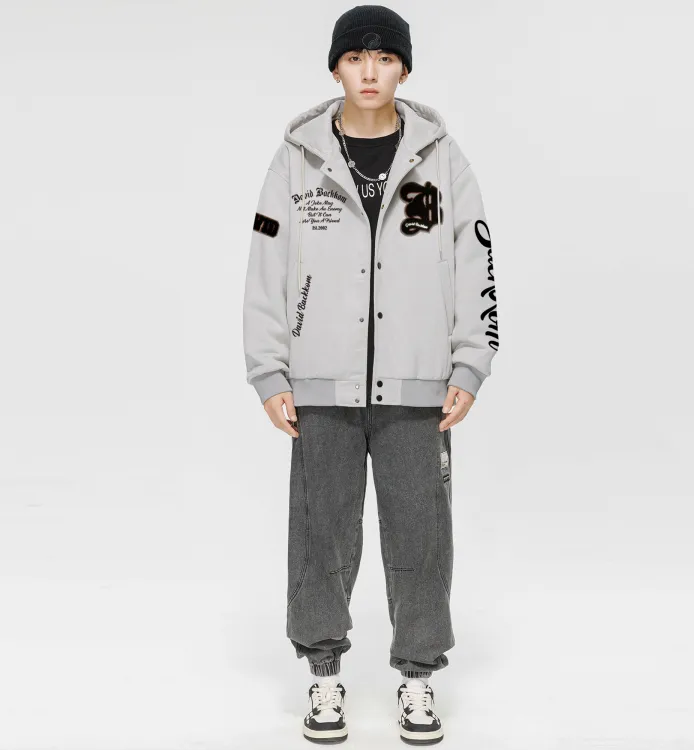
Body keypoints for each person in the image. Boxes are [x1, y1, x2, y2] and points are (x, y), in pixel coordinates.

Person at [242, 4, 497, 744]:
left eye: (385, 59)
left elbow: (477, 259)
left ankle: (418, 677)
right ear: (336, 68)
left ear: (404, 70)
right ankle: (323, 673)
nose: (370, 72)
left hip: (419, 386)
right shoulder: (296, 159)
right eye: (356, 58)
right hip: (318, 383)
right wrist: (269, 371)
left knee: (421, 534)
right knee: (321, 532)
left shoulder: (441, 159)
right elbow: (265, 265)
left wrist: (470, 361)